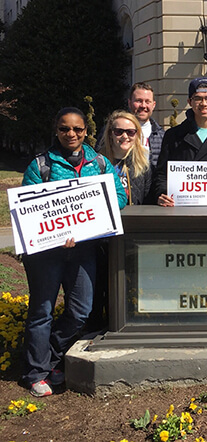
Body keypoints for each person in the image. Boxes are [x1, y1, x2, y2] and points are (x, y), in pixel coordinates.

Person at [20, 107, 127, 397]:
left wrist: (97, 216)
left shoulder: (100, 162)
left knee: (81, 310)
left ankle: (52, 356)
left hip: (84, 249)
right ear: (56, 130)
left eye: (78, 129)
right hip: (46, 253)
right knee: (41, 311)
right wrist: (56, 235)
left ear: (85, 132)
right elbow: (30, 210)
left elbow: (119, 195)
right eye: (65, 129)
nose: (72, 134)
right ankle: (36, 373)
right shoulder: (40, 165)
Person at [155, 77, 207, 206]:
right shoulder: (173, 136)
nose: (204, 103)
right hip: (181, 211)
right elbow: (161, 175)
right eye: (198, 98)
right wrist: (162, 194)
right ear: (189, 101)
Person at [101, 110, 152, 205]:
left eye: (130, 132)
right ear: (110, 134)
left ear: (137, 135)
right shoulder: (97, 163)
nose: (124, 136)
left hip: (133, 219)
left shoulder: (143, 166)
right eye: (118, 131)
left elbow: (149, 200)